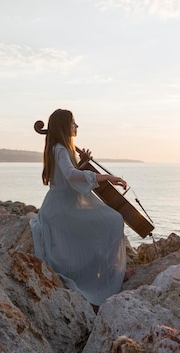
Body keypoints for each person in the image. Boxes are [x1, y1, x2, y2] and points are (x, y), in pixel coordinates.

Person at [30, 109, 128, 309]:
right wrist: (107, 177)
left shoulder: (57, 148)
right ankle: (111, 274)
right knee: (114, 221)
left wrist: (83, 163)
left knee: (107, 222)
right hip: (64, 210)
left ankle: (107, 271)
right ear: (65, 126)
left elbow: (67, 174)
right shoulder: (61, 149)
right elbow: (72, 176)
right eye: (74, 123)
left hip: (59, 207)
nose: (77, 126)